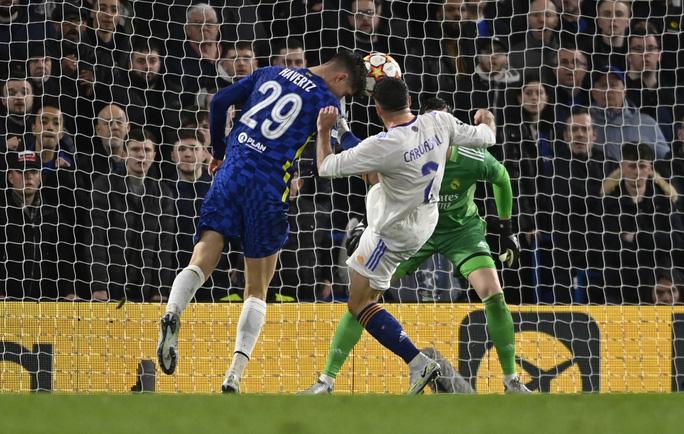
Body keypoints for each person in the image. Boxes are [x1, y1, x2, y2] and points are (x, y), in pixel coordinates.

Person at [156, 51, 368, 393]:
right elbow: (349, 144)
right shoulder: (327, 101)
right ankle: (233, 376)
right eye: (345, 93)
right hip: (268, 188)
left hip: (231, 172)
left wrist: (220, 152)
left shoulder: (270, 71)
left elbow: (220, 101)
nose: (341, 99)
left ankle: (172, 312)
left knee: (204, 251)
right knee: (257, 287)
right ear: (341, 78)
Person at [302, 95, 528, 394]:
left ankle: (512, 380)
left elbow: (502, 178)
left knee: (493, 293)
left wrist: (506, 227)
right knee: (364, 297)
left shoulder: (471, 158)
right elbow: (372, 173)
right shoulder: (409, 147)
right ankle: (327, 379)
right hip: (416, 232)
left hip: (460, 231)